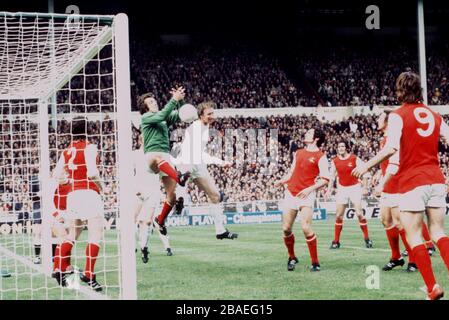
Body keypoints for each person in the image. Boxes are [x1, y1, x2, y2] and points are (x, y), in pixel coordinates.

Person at [353, 71, 449, 300]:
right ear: (420, 91)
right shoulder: (435, 115)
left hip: (412, 182)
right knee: (438, 232)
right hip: (436, 178)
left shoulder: (397, 115)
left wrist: (366, 166)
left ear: (399, 90)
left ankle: (433, 287)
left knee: (414, 234)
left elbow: (391, 148)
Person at [51, 117, 104, 292]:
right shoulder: (90, 147)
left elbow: (57, 173)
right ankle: (89, 273)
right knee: (95, 234)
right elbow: (92, 172)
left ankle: (58, 267)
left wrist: (67, 181)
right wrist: (102, 186)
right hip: (89, 193)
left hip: (73, 195)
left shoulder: (66, 151)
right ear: (87, 130)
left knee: (73, 233)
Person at [172, 101, 238, 239]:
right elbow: (189, 151)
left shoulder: (204, 127)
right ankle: (179, 197)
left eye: (213, 113)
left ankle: (220, 231)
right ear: (200, 116)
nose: (212, 116)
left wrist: (220, 162)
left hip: (197, 163)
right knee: (184, 181)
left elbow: (199, 153)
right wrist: (187, 170)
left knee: (215, 196)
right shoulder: (196, 128)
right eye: (209, 114)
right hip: (188, 162)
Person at [275, 128, 330, 272]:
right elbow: (291, 172)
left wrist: (309, 189)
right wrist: (282, 181)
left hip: (306, 194)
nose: (306, 133)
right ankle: (292, 257)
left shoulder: (321, 156)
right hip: (291, 192)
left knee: (305, 227)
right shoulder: (298, 152)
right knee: (286, 228)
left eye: (309, 133)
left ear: (316, 138)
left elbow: (325, 179)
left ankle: (315, 262)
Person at [138, 87, 190, 234]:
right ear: (145, 107)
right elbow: (161, 116)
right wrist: (174, 99)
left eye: (154, 100)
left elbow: (181, 115)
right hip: (152, 157)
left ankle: (160, 221)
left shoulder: (162, 117)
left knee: (171, 196)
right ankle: (178, 176)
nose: (154, 103)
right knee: (158, 158)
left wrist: (180, 101)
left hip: (165, 158)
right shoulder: (146, 117)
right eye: (150, 102)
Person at [373, 108, 416, 272]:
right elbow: (387, 161)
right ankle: (396, 257)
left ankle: (413, 259)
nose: (377, 120)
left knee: (399, 222)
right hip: (387, 184)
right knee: (386, 220)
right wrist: (379, 173)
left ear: (388, 122)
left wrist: (381, 183)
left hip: (397, 184)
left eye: (380, 117)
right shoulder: (384, 139)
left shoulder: (395, 138)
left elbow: (395, 164)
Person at [132, 131, 172, 263]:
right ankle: (132, 246)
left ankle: (144, 247)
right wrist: (134, 187)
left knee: (147, 221)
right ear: (140, 141)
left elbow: (163, 173)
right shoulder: (135, 155)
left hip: (153, 191)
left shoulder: (156, 155)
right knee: (132, 220)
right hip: (137, 191)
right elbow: (129, 174)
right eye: (144, 138)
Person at [325, 141, 372, 249]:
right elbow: (331, 177)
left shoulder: (354, 158)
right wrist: (328, 190)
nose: (340, 148)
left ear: (346, 148)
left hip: (355, 188)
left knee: (360, 214)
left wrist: (365, 187)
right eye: (339, 146)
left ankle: (367, 239)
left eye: (342, 146)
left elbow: (365, 172)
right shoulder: (334, 161)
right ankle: (336, 241)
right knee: (338, 216)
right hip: (342, 189)